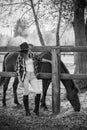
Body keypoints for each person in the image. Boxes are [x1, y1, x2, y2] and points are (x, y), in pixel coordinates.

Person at [15, 42, 41, 116]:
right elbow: (17, 69)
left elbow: (39, 59)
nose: (27, 51)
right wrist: (20, 81)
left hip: (33, 76)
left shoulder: (32, 55)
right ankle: (27, 111)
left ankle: (36, 110)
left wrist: (49, 61)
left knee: (38, 92)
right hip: (25, 77)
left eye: (27, 50)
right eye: (26, 50)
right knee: (26, 93)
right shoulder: (20, 57)